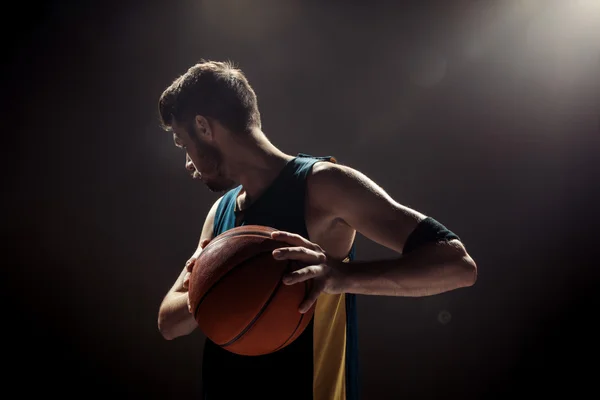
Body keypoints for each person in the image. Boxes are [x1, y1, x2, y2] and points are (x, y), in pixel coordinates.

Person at [156, 60, 477, 400]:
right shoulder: (219, 212)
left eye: (182, 142)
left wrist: (341, 276)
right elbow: (168, 322)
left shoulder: (323, 185)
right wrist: (211, 289)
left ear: (204, 127)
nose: (188, 163)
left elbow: (457, 264)